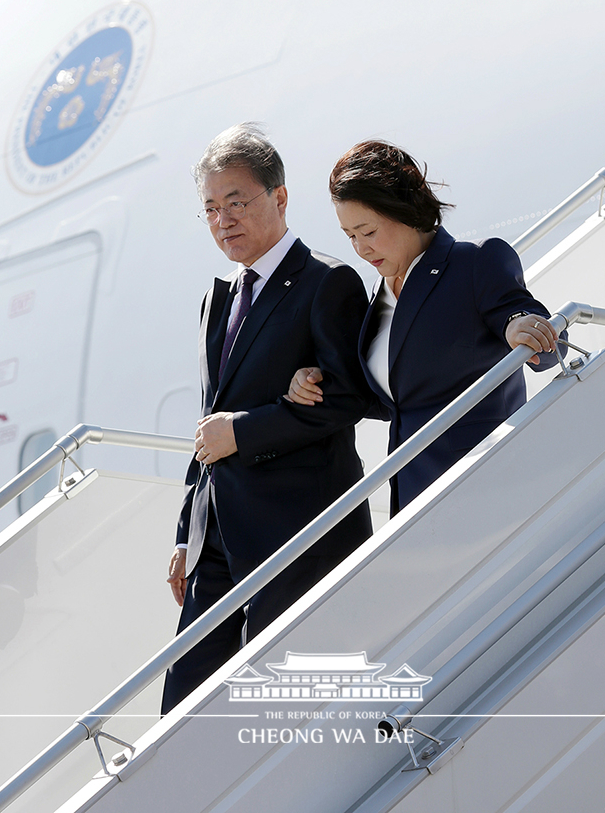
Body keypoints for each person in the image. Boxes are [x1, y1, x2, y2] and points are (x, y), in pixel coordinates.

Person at [161, 124, 372, 714]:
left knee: (286, 712)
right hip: (217, 540)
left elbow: (348, 398)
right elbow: (210, 419)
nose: (222, 219)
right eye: (209, 208)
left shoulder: (328, 283)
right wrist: (187, 530)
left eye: (236, 202)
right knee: (184, 709)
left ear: (279, 198)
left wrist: (245, 432)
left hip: (298, 530)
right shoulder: (218, 297)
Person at [287, 140, 563, 515]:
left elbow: (539, 332)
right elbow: (396, 396)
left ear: (405, 211)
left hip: (487, 487)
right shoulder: (379, 296)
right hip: (413, 497)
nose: (361, 249)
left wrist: (522, 327)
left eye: (368, 231)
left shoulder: (475, 261)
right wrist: (318, 380)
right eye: (350, 236)